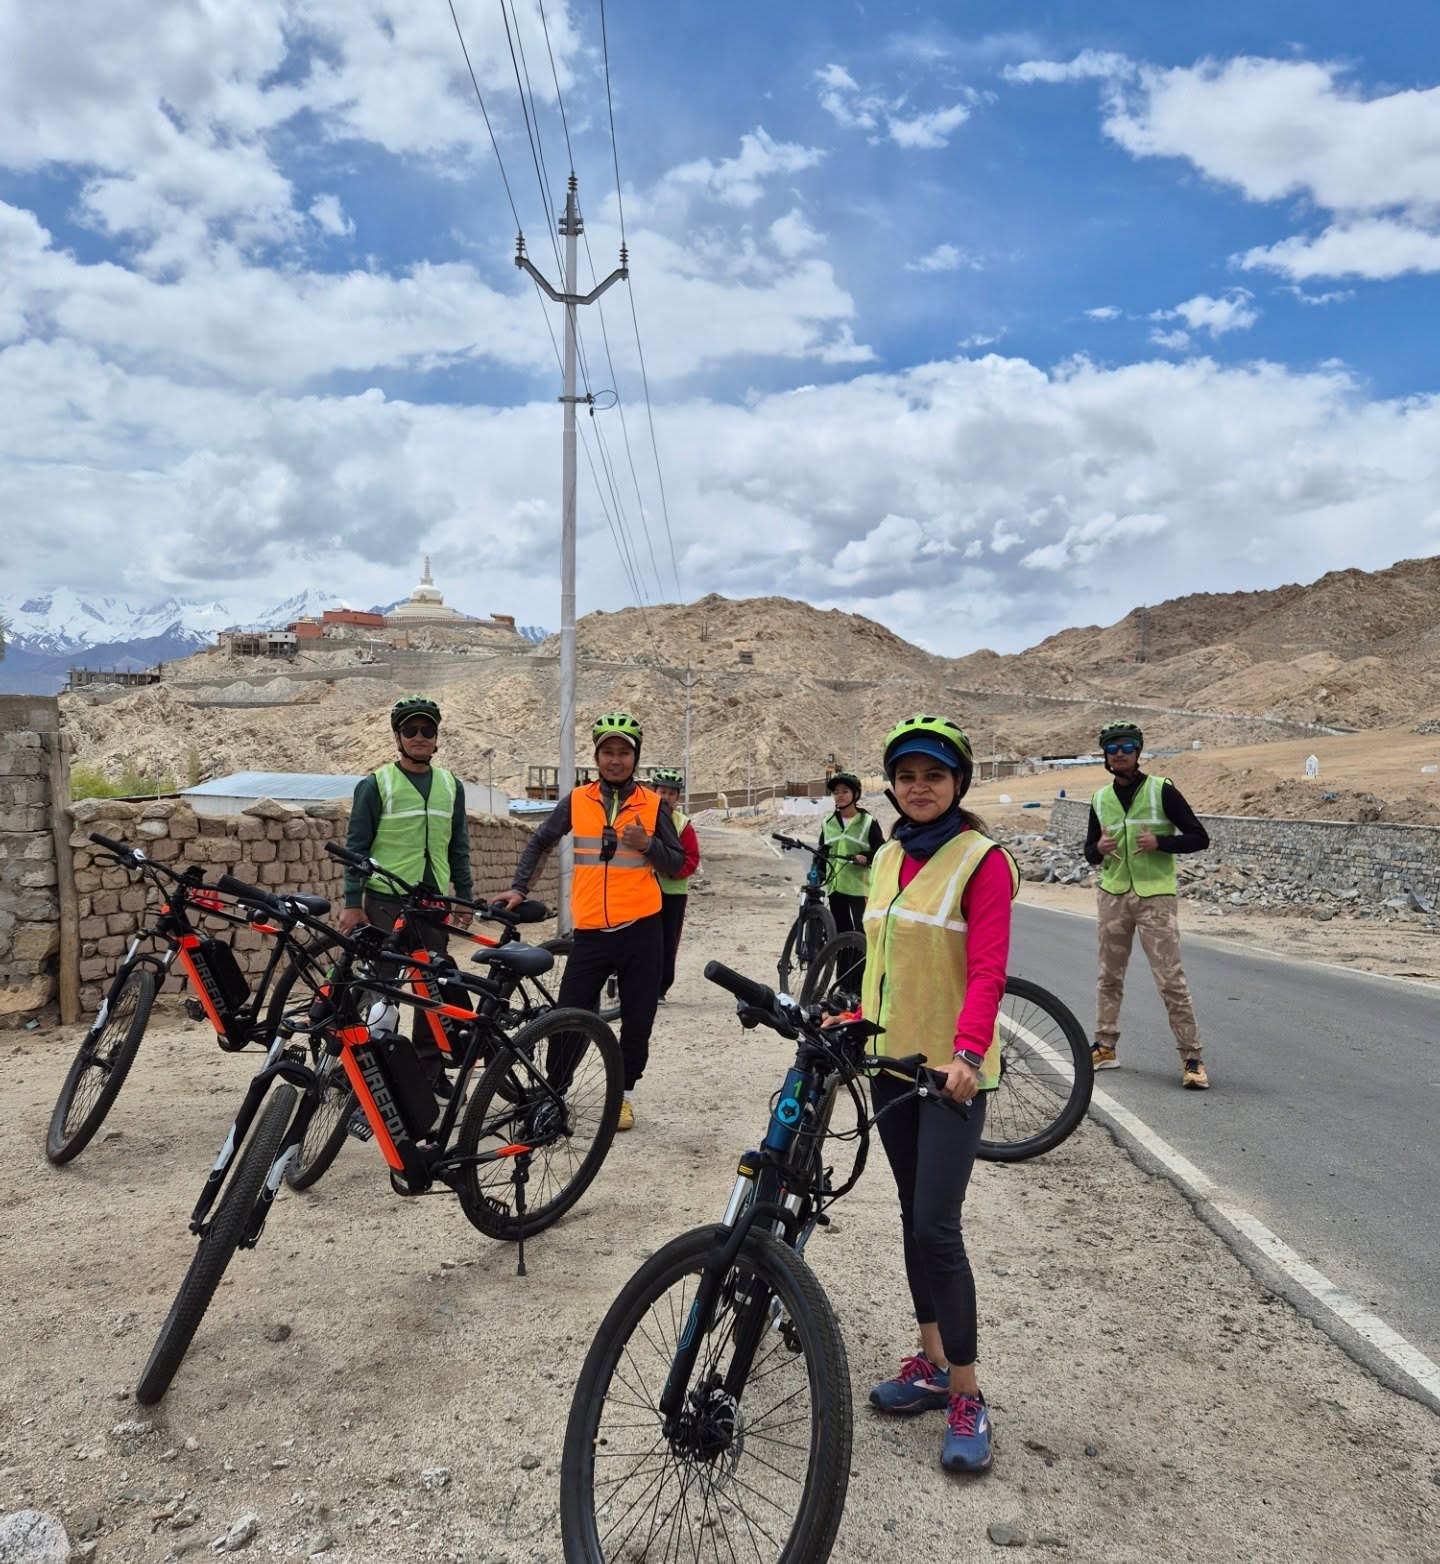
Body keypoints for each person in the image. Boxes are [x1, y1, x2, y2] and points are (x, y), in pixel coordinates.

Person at [827, 714, 1017, 1475]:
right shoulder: (887, 854)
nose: (919, 788)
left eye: (934, 776)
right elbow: (877, 958)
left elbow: (988, 971)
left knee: (938, 1227)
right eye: (907, 776)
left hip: (951, 1074)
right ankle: (932, 1363)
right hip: (890, 1065)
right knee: (911, 1218)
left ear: (958, 784)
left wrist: (968, 1052)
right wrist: (850, 1018)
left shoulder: (985, 862)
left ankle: (968, 1393)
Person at [494, 712, 684, 1131]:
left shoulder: (652, 805)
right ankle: (553, 1093)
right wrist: (519, 888)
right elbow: (541, 841)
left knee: (638, 1021)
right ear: (596, 756)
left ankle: (623, 1095)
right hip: (592, 932)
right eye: (608, 752)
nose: (615, 760)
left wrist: (649, 844)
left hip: (642, 929)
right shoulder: (577, 800)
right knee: (569, 1017)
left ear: (635, 759)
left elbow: (676, 864)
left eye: (624, 753)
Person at [339, 696, 473, 1092]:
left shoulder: (452, 786)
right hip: (387, 899)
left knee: (433, 986)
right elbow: (356, 847)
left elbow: (458, 845)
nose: (419, 737)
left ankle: (429, 1071)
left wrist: (463, 894)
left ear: (436, 738)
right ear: (398, 736)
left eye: (427, 731)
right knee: (382, 984)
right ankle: (363, 1067)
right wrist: (351, 903)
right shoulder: (376, 784)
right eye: (411, 730)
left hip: (433, 902)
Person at [1084, 720, 1211, 1089]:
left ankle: (1192, 1058)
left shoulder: (1162, 791)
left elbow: (1199, 837)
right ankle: (1105, 1047)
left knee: (1170, 979)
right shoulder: (1099, 799)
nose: (1119, 754)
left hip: (1155, 897)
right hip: (1113, 896)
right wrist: (1099, 850)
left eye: (1126, 747)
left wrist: (1160, 843)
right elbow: (1090, 850)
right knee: (1109, 976)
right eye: (1112, 749)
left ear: (1138, 751)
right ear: (1105, 756)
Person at [649, 767, 700, 1002]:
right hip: (643, 889)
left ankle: (659, 988)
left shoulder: (682, 824)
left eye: (671, 793)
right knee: (640, 939)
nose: (666, 797)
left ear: (677, 797)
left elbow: (691, 858)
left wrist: (670, 872)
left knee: (668, 941)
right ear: (654, 792)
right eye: (662, 792)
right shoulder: (644, 817)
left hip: (672, 893)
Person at [818, 771, 883, 936]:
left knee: (861, 934)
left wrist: (866, 856)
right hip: (835, 887)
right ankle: (843, 963)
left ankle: (862, 963)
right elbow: (821, 852)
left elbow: (882, 851)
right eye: (836, 792)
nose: (839, 796)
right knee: (839, 933)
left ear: (855, 794)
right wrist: (818, 876)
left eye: (845, 791)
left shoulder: (868, 821)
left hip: (860, 888)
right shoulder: (828, 823)